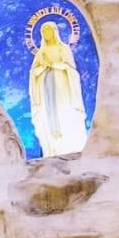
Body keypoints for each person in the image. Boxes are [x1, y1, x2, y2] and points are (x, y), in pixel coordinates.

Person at [28, 18, 88, 156]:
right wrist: (43, 68)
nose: (46, 34)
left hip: (62, 87)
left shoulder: (63, 48)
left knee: (63, 112)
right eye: (43, 32)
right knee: (48, 115)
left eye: (48, 31)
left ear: (55, 32)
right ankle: (52, 148)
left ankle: (69, 147)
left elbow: (71, 69)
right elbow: (33, 73)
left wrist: (55, 65)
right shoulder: (40, 53)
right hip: (45, 89)